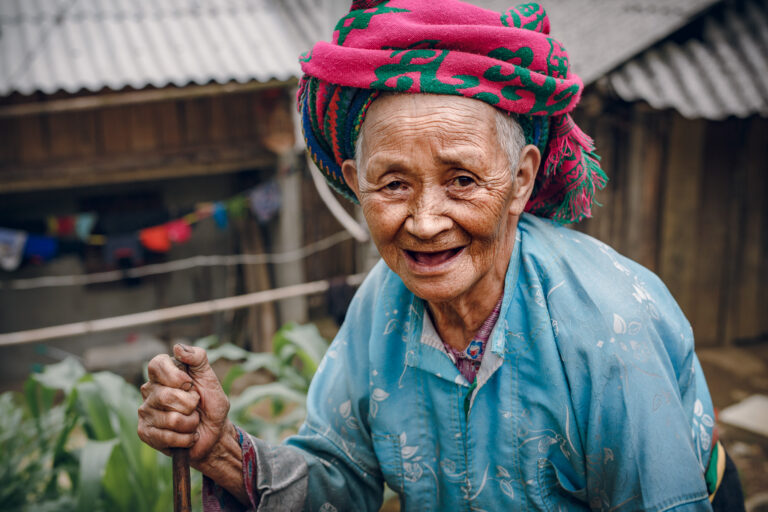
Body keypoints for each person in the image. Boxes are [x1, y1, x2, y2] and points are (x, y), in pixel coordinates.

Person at [138, 1, 745, 510]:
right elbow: (340, 477)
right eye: (393, 184)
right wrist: (220, 449)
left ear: (521, 180)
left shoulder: (607, 330)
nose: (425, 223)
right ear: (355, 183)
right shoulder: (381, 302)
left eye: (461, 180)